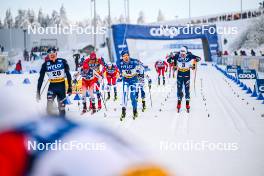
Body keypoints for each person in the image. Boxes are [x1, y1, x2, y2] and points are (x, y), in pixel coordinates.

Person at [37, 48, 72, 117]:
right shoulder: (45, 65)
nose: (52, 55)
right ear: (48, 56)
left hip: (61, 86)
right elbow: (41, 78)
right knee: (49, 108)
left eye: (53, 54)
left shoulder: (63, 61)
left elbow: (68, 74)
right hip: (52, 87)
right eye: (50, 54)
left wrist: (70, 87)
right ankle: (50, 124)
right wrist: (38, 91)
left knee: (61, 108)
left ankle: (62, 123)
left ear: (56, 54)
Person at [171, 46, 201, 112]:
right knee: (179, 89)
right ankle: (179, 104)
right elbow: (169, 59)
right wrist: (170, 60)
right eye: (181, 54)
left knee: (187, 90)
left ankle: (187, 105)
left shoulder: (189, 55)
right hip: (179, 74)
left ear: (186, 53)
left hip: (187, 74)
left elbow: (198, 58)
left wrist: (197, 59)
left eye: (184, 54)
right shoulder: (177, 55)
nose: (182, 56)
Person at [117, 50, 141, 120]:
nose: (126, 57)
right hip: (126, 80)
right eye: (124, 56)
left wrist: (140, 74)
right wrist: (119, 75)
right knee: (124, 94)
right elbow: (118, 69)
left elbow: (141, 67)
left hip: (134, 80)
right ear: (122, 57)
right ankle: (123, 111)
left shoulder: (134, 62)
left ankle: (135, 110)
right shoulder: (119, 63)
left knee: (133, 96)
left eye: (127, 55)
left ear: (129, 56)